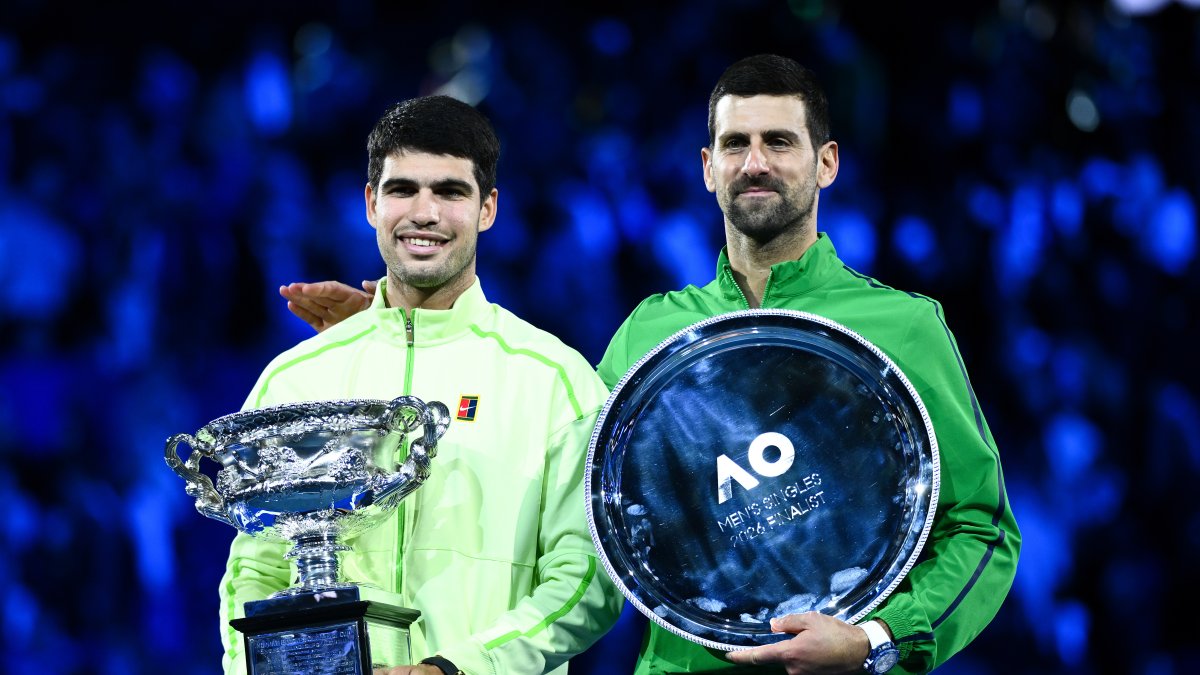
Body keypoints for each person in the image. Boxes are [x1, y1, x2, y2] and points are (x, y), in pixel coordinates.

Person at [284, 55, 1020, 674]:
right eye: (734, 144)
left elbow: (981, 531)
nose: (755, 162)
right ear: (707, 168)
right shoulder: (651, 333)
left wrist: (874, 640)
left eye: (779, 142)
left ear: (826, 161)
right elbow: (542, 462)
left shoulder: (902, 326)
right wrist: (400, 336)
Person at [221, 95, 623, 675]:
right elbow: (255, 570)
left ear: (487, 208)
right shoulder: (296, 378)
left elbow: (587, 576)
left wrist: (458, 669)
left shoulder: (554, 378)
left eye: (450, 192)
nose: (424, 212)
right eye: (403, 189)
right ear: (370, 203)